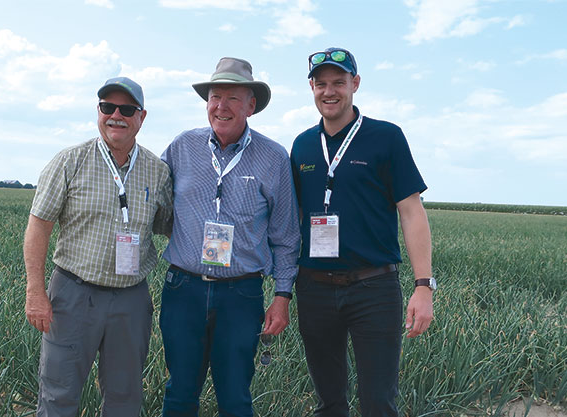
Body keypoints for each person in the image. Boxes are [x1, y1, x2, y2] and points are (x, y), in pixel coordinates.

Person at [290, 47, 434, 417]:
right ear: (311, 87)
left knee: (379, 403)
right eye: (321, 84)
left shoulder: (386, 137)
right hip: (315, 289)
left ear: (355, 84)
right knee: (329, 402)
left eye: (339, 82)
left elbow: (411, 211)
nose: (330, 91)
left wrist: (423, 285)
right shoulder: (302, 145)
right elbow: (293, 218)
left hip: (374, 288)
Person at [23, 77, 173, 417]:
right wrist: (36, 291)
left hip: (131, 298)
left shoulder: (157, 170)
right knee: (59, 394)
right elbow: (38, 226)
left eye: (127, 109)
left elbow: (171, 226)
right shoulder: (69, 161)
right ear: (99, 112)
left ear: (141, 117)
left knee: (125, 396)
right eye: (108, 107)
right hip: (73, 295)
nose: (116, 115)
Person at [159, 57, 300, 417]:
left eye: (233, 98)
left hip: (241, 293)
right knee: (179, 393)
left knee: (235, 397)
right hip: (183, 289)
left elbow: (286, 235)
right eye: (215, 96)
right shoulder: (182, 147)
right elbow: (150, 201)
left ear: (251, 105)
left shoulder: (273, 157)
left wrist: (282, 296)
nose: (221, 106)